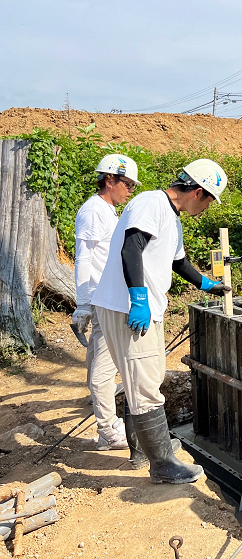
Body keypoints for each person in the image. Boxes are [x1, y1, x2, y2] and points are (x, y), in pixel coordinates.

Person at [92, 158, 230, 484]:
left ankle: (144, 451)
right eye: (209, 201)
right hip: (129, 307)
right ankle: (163, 465)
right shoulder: (150, 203)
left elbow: (178, 262)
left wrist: (206, 283)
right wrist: (138, 299)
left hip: (147, 308)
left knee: (144, 382)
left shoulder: (172, 218)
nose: (207, 209)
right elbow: (131, 249)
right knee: (143, 388)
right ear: (198, 191)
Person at [71, 154, 140, 452]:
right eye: (126, 184)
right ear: (109, 180)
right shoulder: (93, 210)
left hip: (105, 297)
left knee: (99, 362)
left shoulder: (108, 211)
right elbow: (84, 256)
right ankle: (108, 431)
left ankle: (106, 420)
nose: (130, 190)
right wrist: (84, 302)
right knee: (104, 365)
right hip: (102, 299)